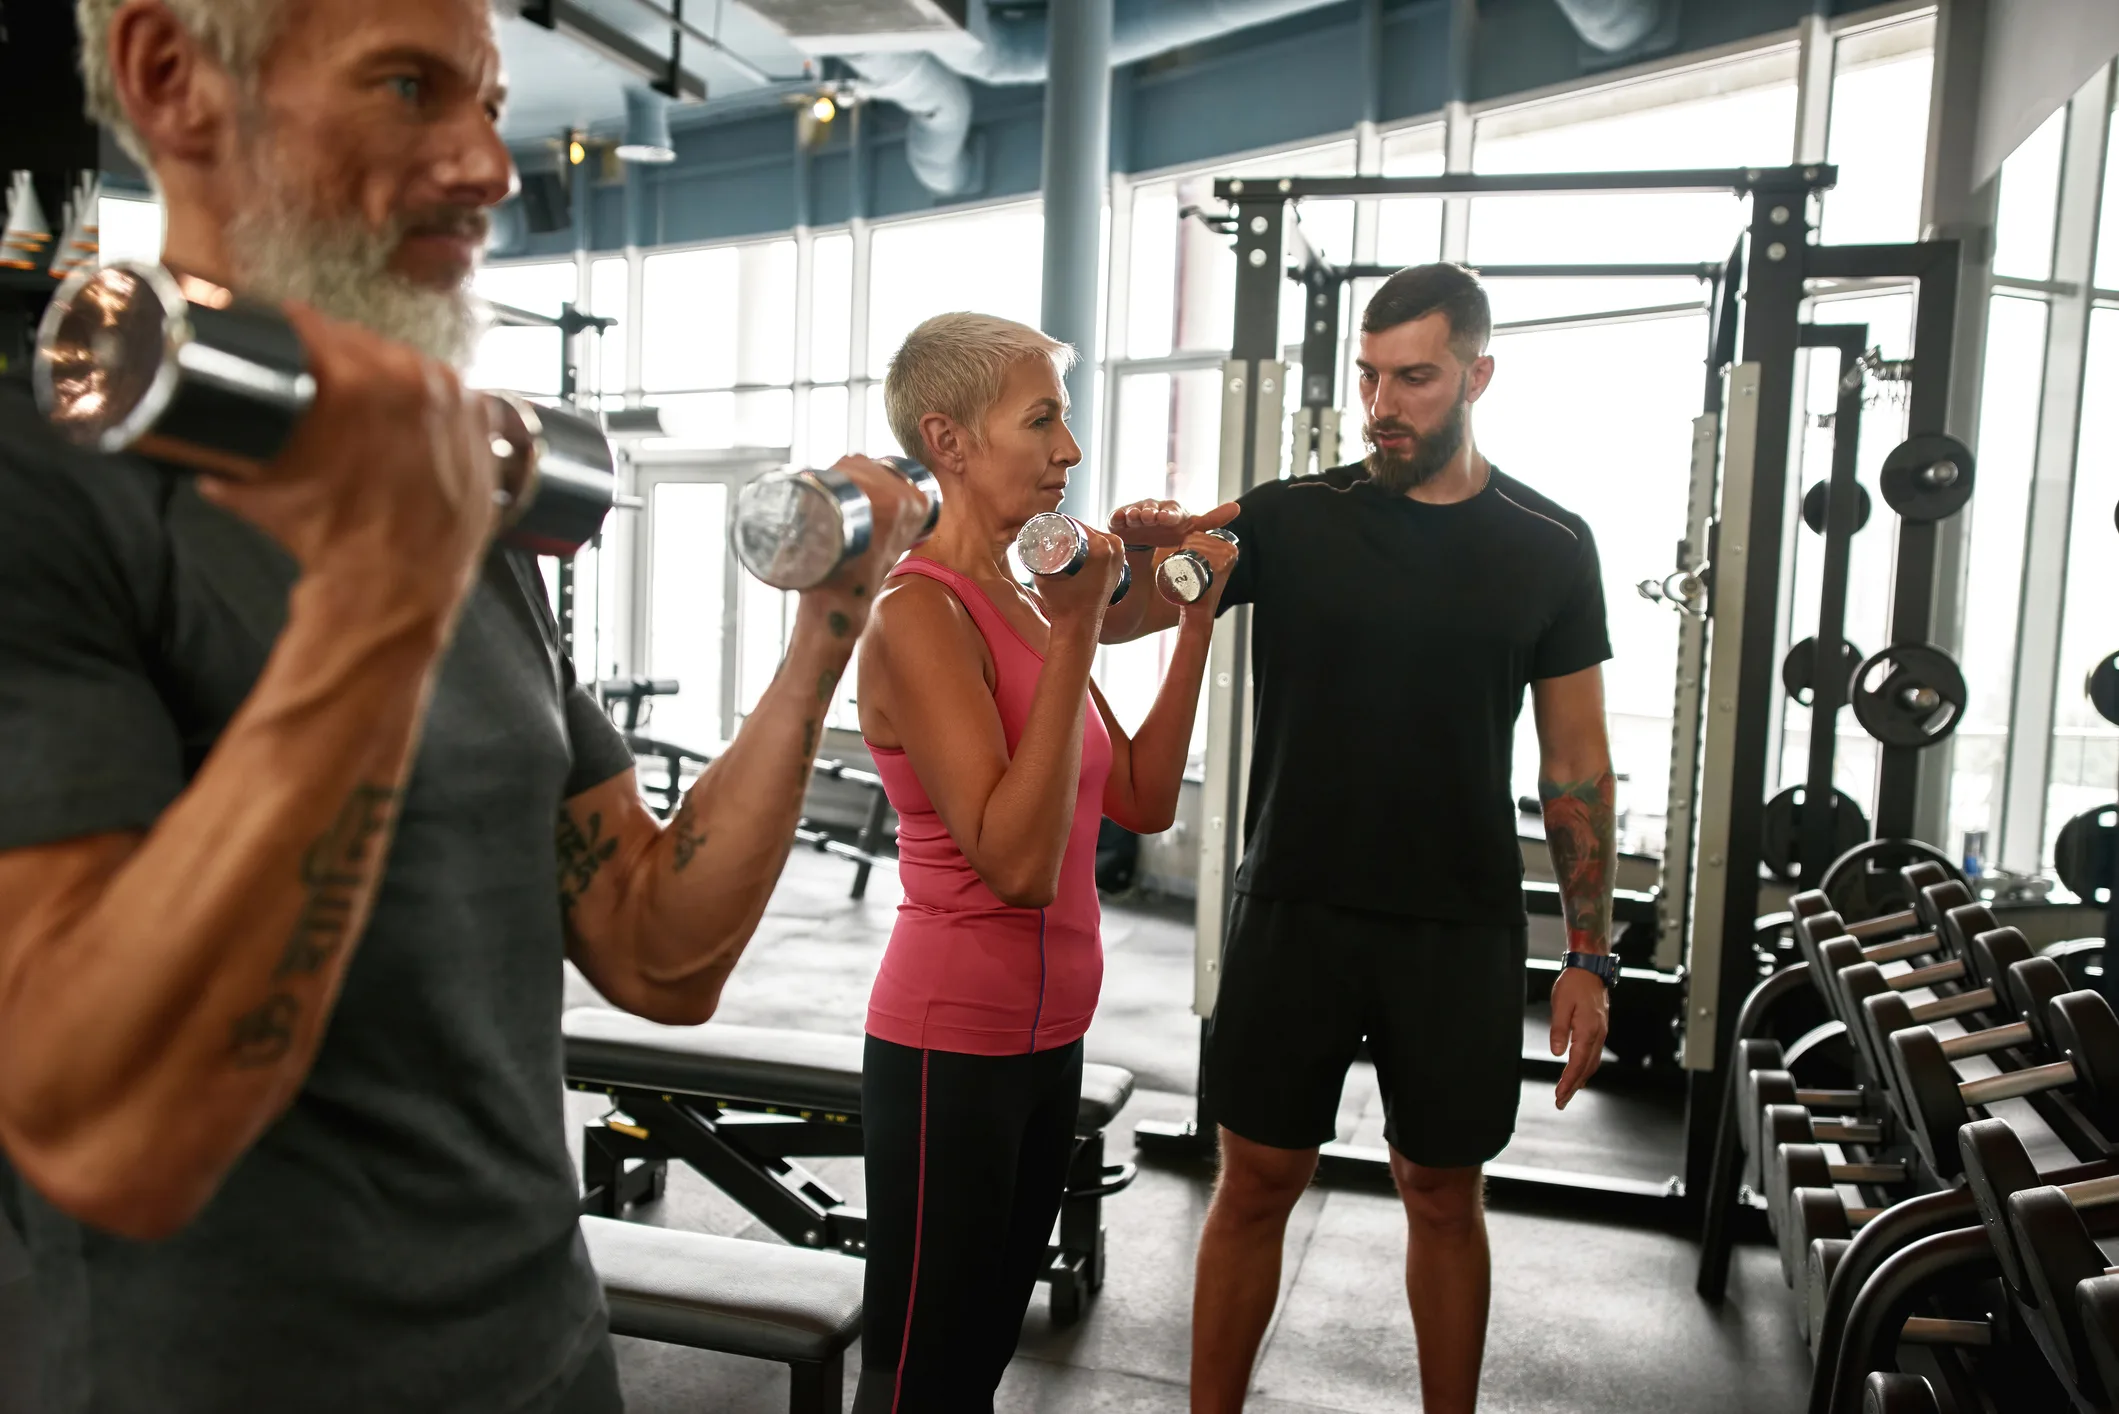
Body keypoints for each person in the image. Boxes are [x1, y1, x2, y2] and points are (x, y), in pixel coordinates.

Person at [0, 3, 929, 1411]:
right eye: (407, 85)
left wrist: (828, 621)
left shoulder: (460, 501)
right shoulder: (46, 494)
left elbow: (655, 943)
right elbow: (113, 1138)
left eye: (488, 101)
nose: (490, 165)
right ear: (172, 78)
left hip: (542, 1351)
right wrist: (380, 594)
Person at [1102, 262, 1617, 1414]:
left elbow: (1576, 762)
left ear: (1478, 375)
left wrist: (1587, 956)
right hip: (1295, 901)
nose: (1384, 403)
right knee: (1255, 1181)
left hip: (1460, 920)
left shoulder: (1549, 543)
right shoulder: (1287, 517)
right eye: (1371, 377)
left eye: (1417, 377)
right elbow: (1124, 616)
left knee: (1441, 1190)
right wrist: (1127, 552)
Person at [851, 312, 1239, 1412]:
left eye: (1063, 419)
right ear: (952, 440)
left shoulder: (1027, 601)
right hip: (949, 1044)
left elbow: (1144, 798)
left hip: (1048, 1040)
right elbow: (1016, 865)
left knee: (978, 1365)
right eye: (1042, 419)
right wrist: (1078, 632)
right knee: (920, 1379)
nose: (1068, 448)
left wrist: (1192, 621)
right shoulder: (919, 615)